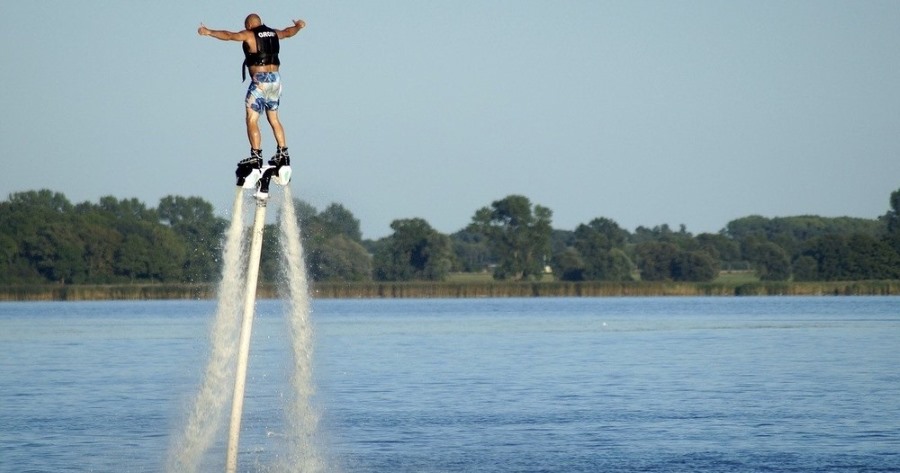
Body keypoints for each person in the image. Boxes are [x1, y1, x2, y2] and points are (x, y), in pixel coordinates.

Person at [198, 14, 305, 185]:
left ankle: (256, 157)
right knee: (274, 119)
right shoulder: (273, 33)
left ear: (249, 24)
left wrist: (208, 31)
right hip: (276, 81)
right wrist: (299, 26)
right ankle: (283, 154)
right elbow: (288, 32)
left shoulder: (249, 34)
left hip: (260, 82)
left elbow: (229, 35)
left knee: (251, 119)